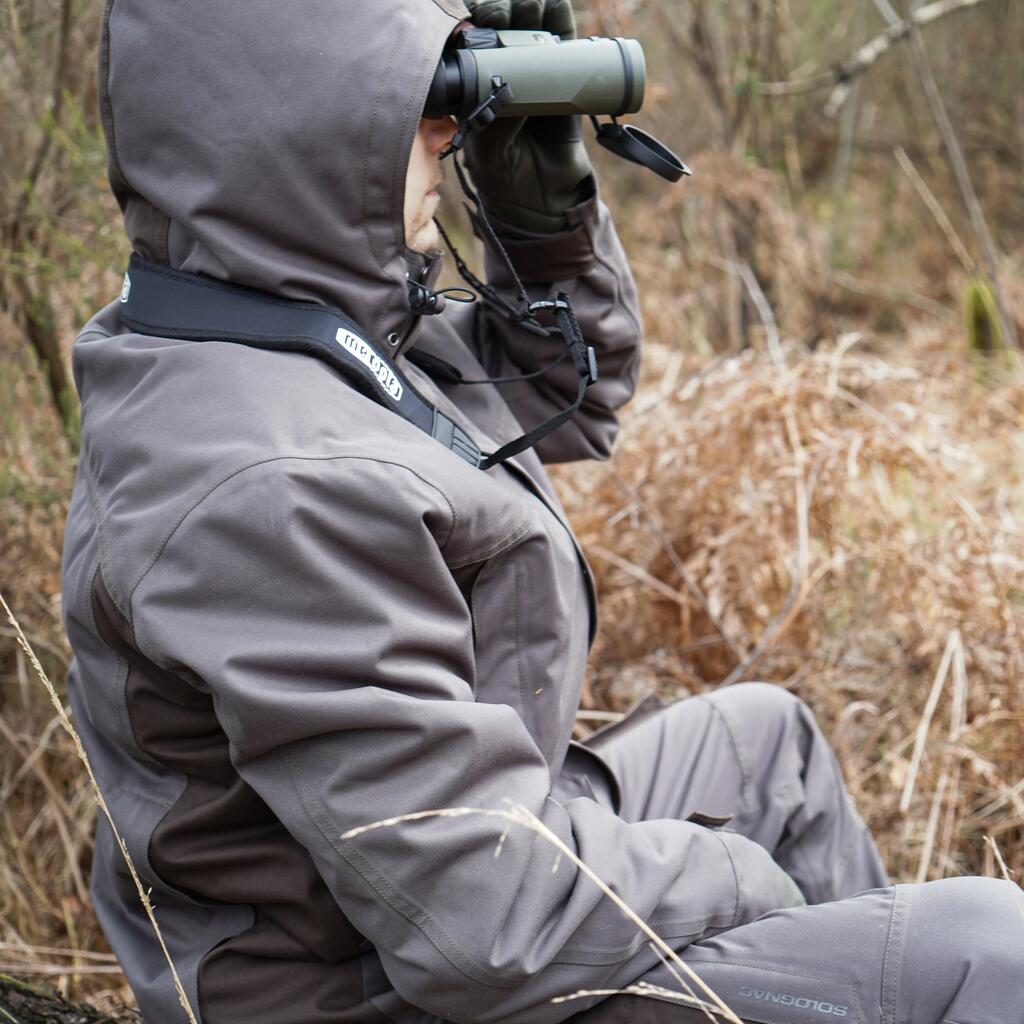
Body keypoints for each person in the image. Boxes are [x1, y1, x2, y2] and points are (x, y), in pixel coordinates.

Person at [61, 1, 1023, 1023]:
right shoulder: (272, 483)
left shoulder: (255, 336)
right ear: (292, 140)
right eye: (408, 102)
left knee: (765, 746)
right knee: (987, 951)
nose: (445, 129)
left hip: (443, 870)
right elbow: (487, 927)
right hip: (370, 982)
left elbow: (571, 387)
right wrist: (743, 886)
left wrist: (537, 208)